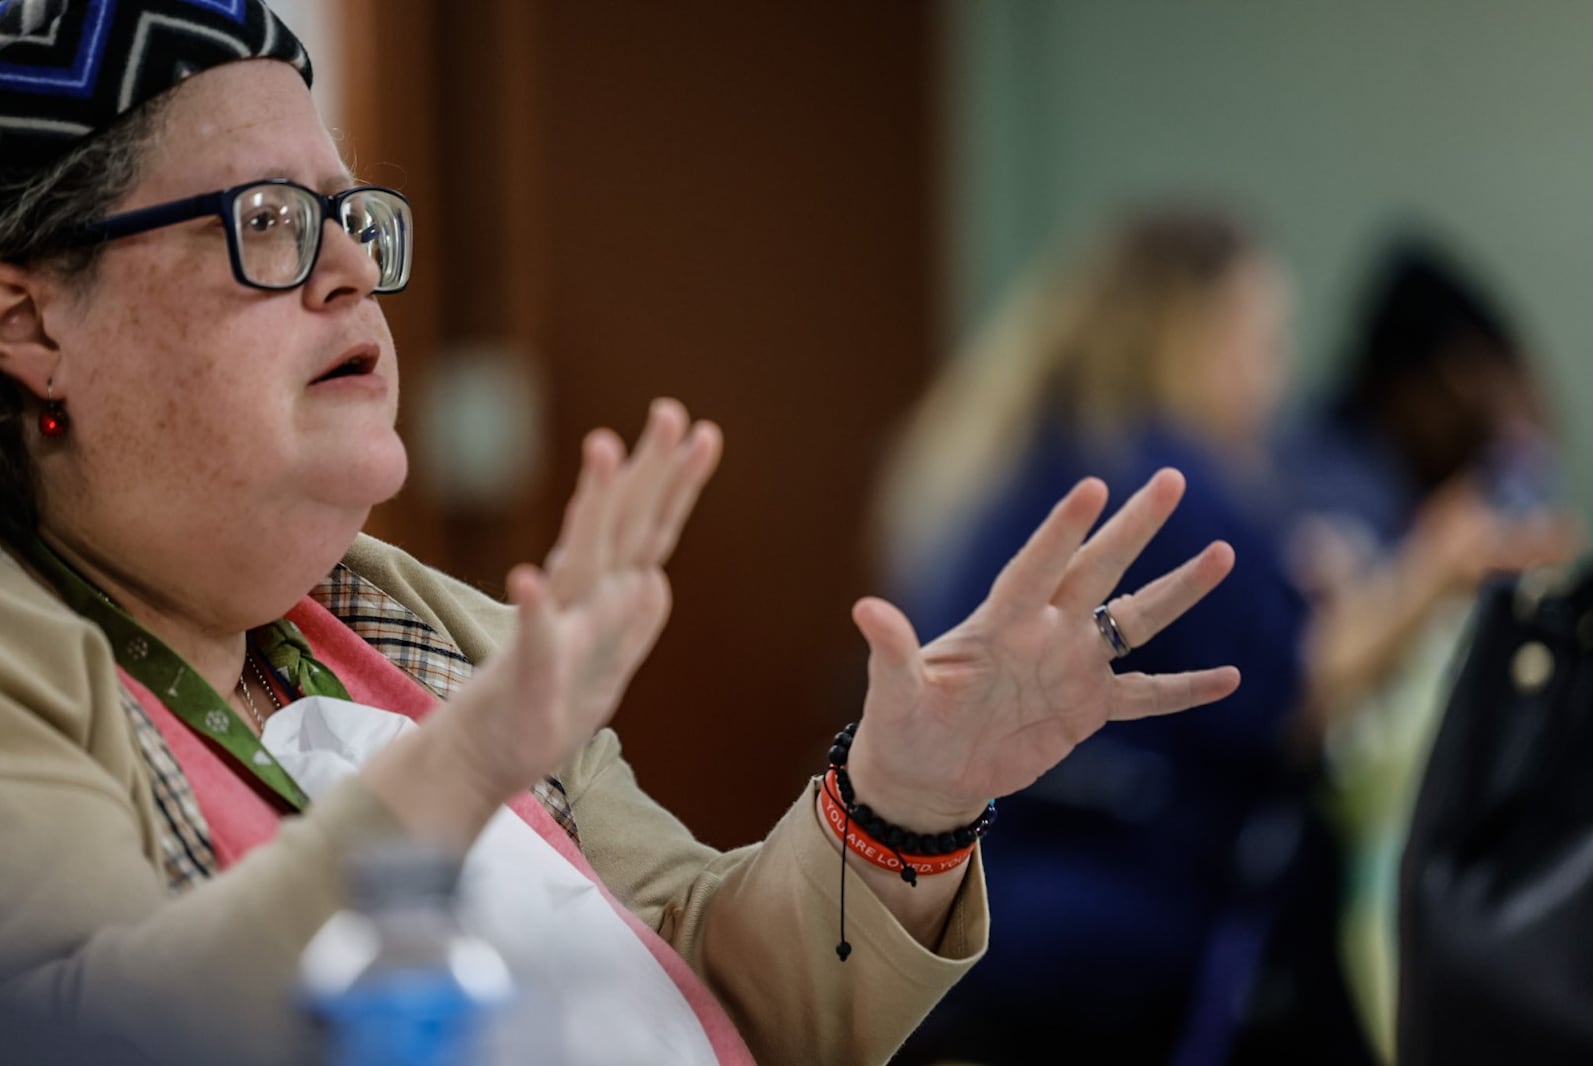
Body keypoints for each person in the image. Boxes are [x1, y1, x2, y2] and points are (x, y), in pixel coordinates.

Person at [0, 4, 1242, 1065]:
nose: (350, 272)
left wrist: (904, 800)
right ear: (31, 323)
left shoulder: (428, 627)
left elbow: (715, 981)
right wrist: (472, 757)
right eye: (267, 221)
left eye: (351, 219)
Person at [873, 204, 1385, 1065]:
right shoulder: (1168, 480)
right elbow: (1291, 701)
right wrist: (1445, 568)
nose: (1280, 378)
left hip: (963, 893)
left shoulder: (1026, 450)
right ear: (1195, 334)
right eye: (1265, 342)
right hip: (1095, 922)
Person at [1271, 230, 1582, 1062]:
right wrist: (1432, 571)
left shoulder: (1433, 483)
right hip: (1321, 891)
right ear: (1436, 378)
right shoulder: (1323, 489)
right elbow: (1306, 692)